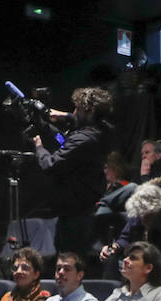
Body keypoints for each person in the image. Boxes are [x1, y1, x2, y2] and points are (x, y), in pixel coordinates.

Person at [32, 87, 114, 251]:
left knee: (70, 259)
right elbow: (65, 140)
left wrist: (39, 148)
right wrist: (57, 119)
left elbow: (51, 165)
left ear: (89, 112)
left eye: (77, 109)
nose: (74, 112)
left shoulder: (84, 138)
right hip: (84, 209)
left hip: (76, 216)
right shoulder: (103, 131)